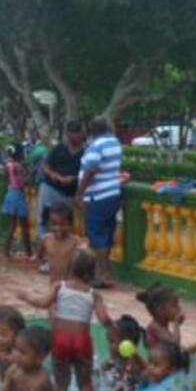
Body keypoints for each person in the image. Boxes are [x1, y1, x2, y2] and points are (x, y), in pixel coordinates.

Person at [17, 249, 108, 391]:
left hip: (60, 340)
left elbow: (43, 303)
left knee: (61, 383)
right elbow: (104, 319)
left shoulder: (59, 286)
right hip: (82, 341)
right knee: (85, 383)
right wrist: (114, 329)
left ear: (70, 269)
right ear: (90, 274)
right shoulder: (94, 294)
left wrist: (26, 296)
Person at [77, 115, 123, 288]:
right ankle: (105, 272)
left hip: (98, 196)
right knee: (106, 233)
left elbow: (91, 170)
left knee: (97, 236)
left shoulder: (96, 146)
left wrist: (79, 194)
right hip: (112, 193)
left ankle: (102, 274)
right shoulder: (115, 142)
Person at [0, 325, 62, 391]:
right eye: (15, 349)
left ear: (40, 358)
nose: (16, 355)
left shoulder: (41, 380)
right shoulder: (13, 371)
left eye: (22, 352)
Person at [38, 121, 85, 232]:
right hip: (51, 188)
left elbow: (89, 173)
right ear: (68, 135)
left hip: (69, 194)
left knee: (65, 224)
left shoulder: (86, 152)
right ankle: (45, 246)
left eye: (78, 132)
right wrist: (54, 175)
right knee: (45, 220)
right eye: (72, 133)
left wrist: (74, 179)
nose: (76, 136)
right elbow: (45, 165)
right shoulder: (59, 148)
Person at [36, 203, 83, 284]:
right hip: (53, 283)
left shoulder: (75, 242)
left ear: (71, 225)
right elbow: (39, 256)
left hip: (70, 286)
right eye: (54, 224)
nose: (58, 228)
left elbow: (85, 259)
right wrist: (41, 262)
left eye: (63, 225)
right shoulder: (46, 240)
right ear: (49, 224)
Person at [100, 314, 145, 391]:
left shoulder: (135, 363)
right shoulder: (112, 362)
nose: (109, 346)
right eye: (109, 341)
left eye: (112, 342)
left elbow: (143, 374)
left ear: (126, 344)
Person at [1, 145, 31, 257]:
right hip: (18, 195)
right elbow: (24, 182)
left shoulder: (7, 165)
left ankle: (6, 251)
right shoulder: (19, 166)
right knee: (24, 226)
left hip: (10, 194)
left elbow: (7, 179)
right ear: (20, 154)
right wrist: (29, 174)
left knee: (11, 226)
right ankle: (29, 252)